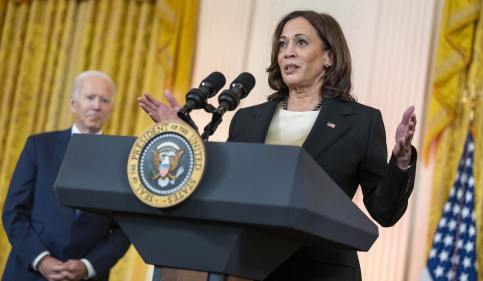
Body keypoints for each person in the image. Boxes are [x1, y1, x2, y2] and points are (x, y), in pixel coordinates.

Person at [137, 10, 417, 281]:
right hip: (248, 267)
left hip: (321, 271)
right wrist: (187, 137)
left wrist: (401, 161)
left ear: (329, 57)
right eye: (282, 43)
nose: (287, 51)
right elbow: (224, 182)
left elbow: (385, 212)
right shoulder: (247, 118)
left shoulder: (360, 122)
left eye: (301, 42)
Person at [2, 71, 131, 281]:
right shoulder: (39, 146)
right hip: (29, 272)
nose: (97, 105)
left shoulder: (123, 162)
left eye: (104, 100)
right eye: (89, 97)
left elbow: (124, 230)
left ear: (111, 108)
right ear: (73, 103)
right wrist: (41, 259)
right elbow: (14, 212)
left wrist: (88, 266)